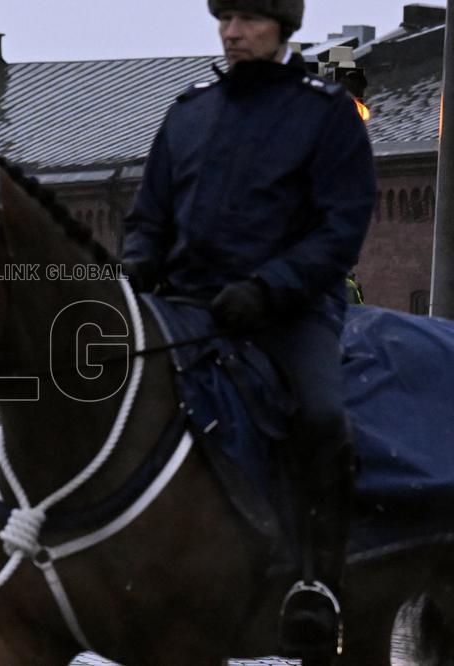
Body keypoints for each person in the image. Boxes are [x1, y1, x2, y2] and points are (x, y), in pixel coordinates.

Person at [119, 0, 376, 658]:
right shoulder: (190, 109)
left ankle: (319, 584)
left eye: (249, 20)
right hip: (187, 304)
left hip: (288, 313)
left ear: (283, 28)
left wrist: (269, 288)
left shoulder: (326, 114)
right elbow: (149, 213)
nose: (232, 33)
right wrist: (141, 258)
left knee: (321, 416)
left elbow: (339, 229)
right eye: (224, 20)